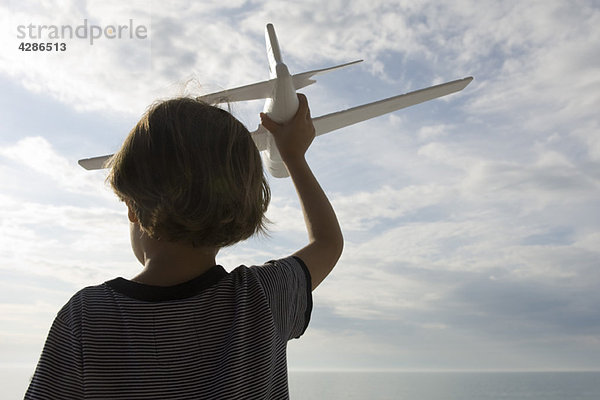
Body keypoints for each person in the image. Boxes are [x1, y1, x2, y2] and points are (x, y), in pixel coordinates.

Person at [25, 93, 343, 399]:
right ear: (241, 204)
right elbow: (327, 242)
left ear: (132, 206)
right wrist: (293, 156)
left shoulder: (87, 317)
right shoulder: (261, 298)